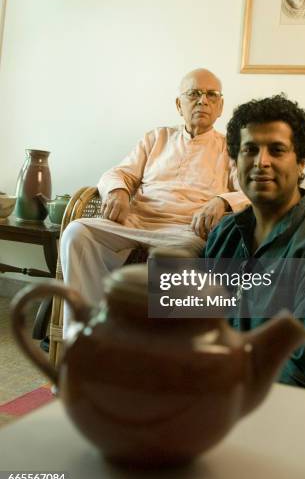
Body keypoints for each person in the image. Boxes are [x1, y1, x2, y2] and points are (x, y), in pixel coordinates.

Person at [61, 68, 248, 331]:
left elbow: (250, 194)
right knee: (77, 233)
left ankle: (153, 349)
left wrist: (222, 201)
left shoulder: (232, 148)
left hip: (183, 232)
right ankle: (86, 333)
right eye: (194, 93)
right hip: (134, 223)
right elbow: (118, 173)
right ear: (178, 104)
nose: (202, 101)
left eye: (211, 95)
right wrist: (118, 191)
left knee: (174, 259)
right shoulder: (156, 138)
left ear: (220, 106)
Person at [204, 94, 305, 395]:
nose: (261, 162)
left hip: (294, 409)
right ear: (236, 161)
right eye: (250, 149)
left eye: (277, 150)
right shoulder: (224, 233)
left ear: (302, 162)